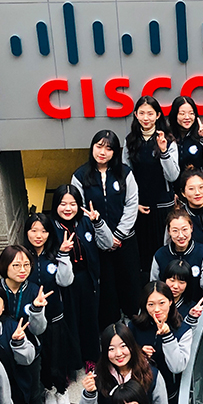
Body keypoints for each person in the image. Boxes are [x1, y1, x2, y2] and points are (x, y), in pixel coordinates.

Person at [72, 129, 142, 325]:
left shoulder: (125, 173)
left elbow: (131, 205)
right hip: (97, 245)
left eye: (108, 148)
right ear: (92, 147)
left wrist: (118, 235)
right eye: (99, 146)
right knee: (106, 289)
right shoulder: (80, 176)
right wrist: (104, 237)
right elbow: (80, 210)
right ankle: (111, 330)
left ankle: (134, 325)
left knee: (129, 284)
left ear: (115, 152)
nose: (102, 152)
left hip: (125, 241)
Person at [22, 212, 78, 404]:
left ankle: (61, 390)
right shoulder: (21, 257)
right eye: (33, 230)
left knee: (57, 356)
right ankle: (46, 388)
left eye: (43, 230)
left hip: (55, 318)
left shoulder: (55, 256)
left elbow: (66, 281)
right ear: (26, 232)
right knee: (39, 359)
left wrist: (65, 254)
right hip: (30, 323)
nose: (38, 235)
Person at [49, 184, 115, 373]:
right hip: (62, 283)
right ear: (55, 205)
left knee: (89, 320)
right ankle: (71, 363)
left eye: (72, 204)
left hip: (87, 279)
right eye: (63, 204)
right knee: (68, 322)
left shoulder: (86, 222)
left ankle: (91, 358)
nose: (68, 208)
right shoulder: (51, 227)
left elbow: (108, 243)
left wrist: (98, 222)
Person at [125, 96, 180, 277]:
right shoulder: (130, 141)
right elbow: (126, 175)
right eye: (141, 113)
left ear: (157, 115)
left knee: (165, 255)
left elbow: (173, 175)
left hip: (163, 207)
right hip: (140, 208)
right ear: (135, 115)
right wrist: (135, 204)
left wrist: (163, 151)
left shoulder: (169, 140)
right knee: (144, 259)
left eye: (150, 113)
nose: (146, 117)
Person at [79, 323, 168, 404]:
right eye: (111, 349)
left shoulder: (151, 373)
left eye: (123, 346)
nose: (118, 353)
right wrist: (89, 393)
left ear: (132, 345)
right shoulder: (98, 376)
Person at [130, 283, 194, 403]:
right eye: (151, 304)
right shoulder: (134, 326)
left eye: (162, 303)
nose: (157, 309)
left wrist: (167, 336)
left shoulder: (183, 330)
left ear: (170, 302)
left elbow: (177, 366)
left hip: (169, 390)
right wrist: (139, 352)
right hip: (137, 389)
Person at [149, 208, 203, 303]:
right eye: (175, 231)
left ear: (191, 228)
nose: (181, 235)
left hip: (198, 308)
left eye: (184, 229)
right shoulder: (160, 255)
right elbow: (154, 286)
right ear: (169, 231)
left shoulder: (202, 252)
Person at [168, 96, 203, 175]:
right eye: (182, 113)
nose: (187, 117)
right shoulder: (167, 136)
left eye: (191, 113)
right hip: (175, 185)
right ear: (175, 115)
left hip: (197, 184)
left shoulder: (200, 133)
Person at [161, 259, 203, 325]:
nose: (176, 286)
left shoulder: (193, 308)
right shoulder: (153, 303)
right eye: (172, 280)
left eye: (181, 282)